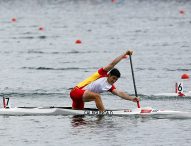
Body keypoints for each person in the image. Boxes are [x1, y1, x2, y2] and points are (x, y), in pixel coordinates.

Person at [70, 50, 140, 111]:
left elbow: (120, 93)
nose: (114, 80)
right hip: (76, 91)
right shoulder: (102, 73)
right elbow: (112, 64)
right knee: (97, 96)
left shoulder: (110, 86)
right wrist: (125, 54)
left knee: (78, 119)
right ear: (109, 75)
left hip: (81, 98)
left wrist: (131, 98)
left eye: (116, 79)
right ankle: (102, 114)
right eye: (113, 78)